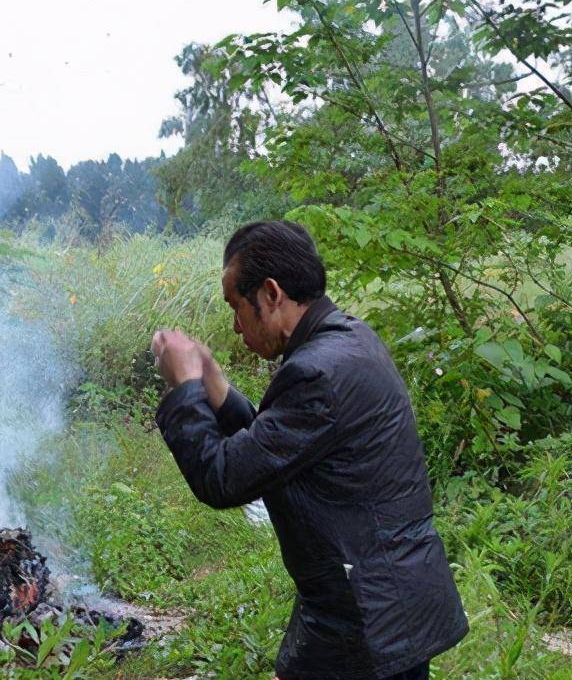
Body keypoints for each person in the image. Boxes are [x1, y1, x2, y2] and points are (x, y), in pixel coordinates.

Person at [150, 221, 467, 680]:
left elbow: (223, 479)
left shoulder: (317, 373)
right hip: (381, 600)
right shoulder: (348, 340)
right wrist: (215, 385)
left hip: (368, 616)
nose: (236, 326)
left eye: (237, 307)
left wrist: (186, 390)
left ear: (272, 293)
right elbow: (279, 448)